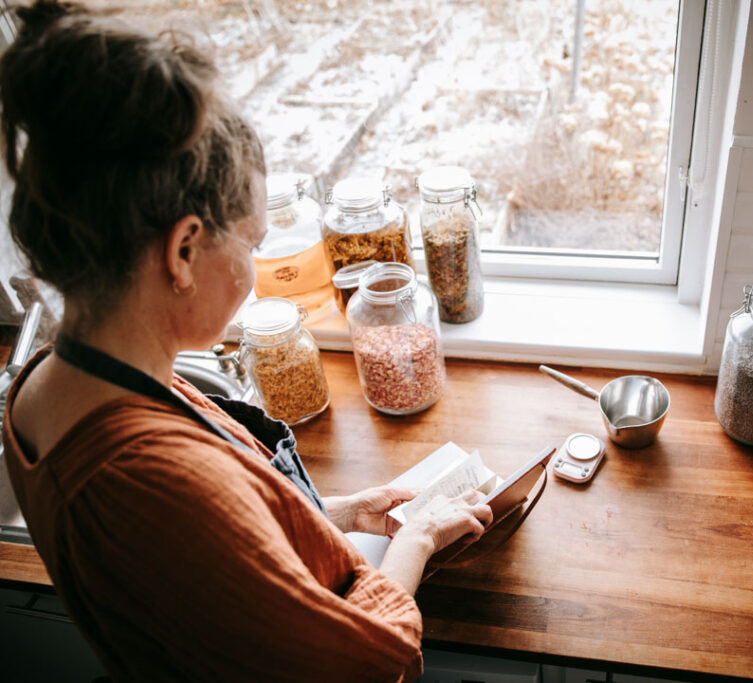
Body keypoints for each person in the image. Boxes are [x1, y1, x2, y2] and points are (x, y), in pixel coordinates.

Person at [0, 2, 493, 680]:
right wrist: (418, 538)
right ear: (183, 252)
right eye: (253, 245)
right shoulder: (154, 483)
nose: (259, 274)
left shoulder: (48, 385)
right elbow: (363, 660)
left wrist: (340, 512)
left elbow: (206, 569)